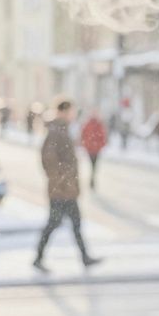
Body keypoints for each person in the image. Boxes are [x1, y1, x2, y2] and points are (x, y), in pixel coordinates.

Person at [33, 98, 101, 272]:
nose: (73, 115)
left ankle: (84, 256)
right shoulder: (56, 131)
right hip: (61, 190)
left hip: (66, 190)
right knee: (54, 223)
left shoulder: (62, 129)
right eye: (71, 111)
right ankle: (38, 257)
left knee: (73, 223)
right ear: (63, 112)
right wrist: (63, 180)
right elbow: (49, 160)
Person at [80, 110, 108, 191]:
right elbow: (83, 135)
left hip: (95, 149)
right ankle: (92, 179)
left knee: (94, 165)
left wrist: (100, 145)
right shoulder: (89, 124)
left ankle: (92, 179)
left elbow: (103, 136)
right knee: (92, 164)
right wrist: (86, 144)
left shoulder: (98, 124)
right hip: (91, 148)